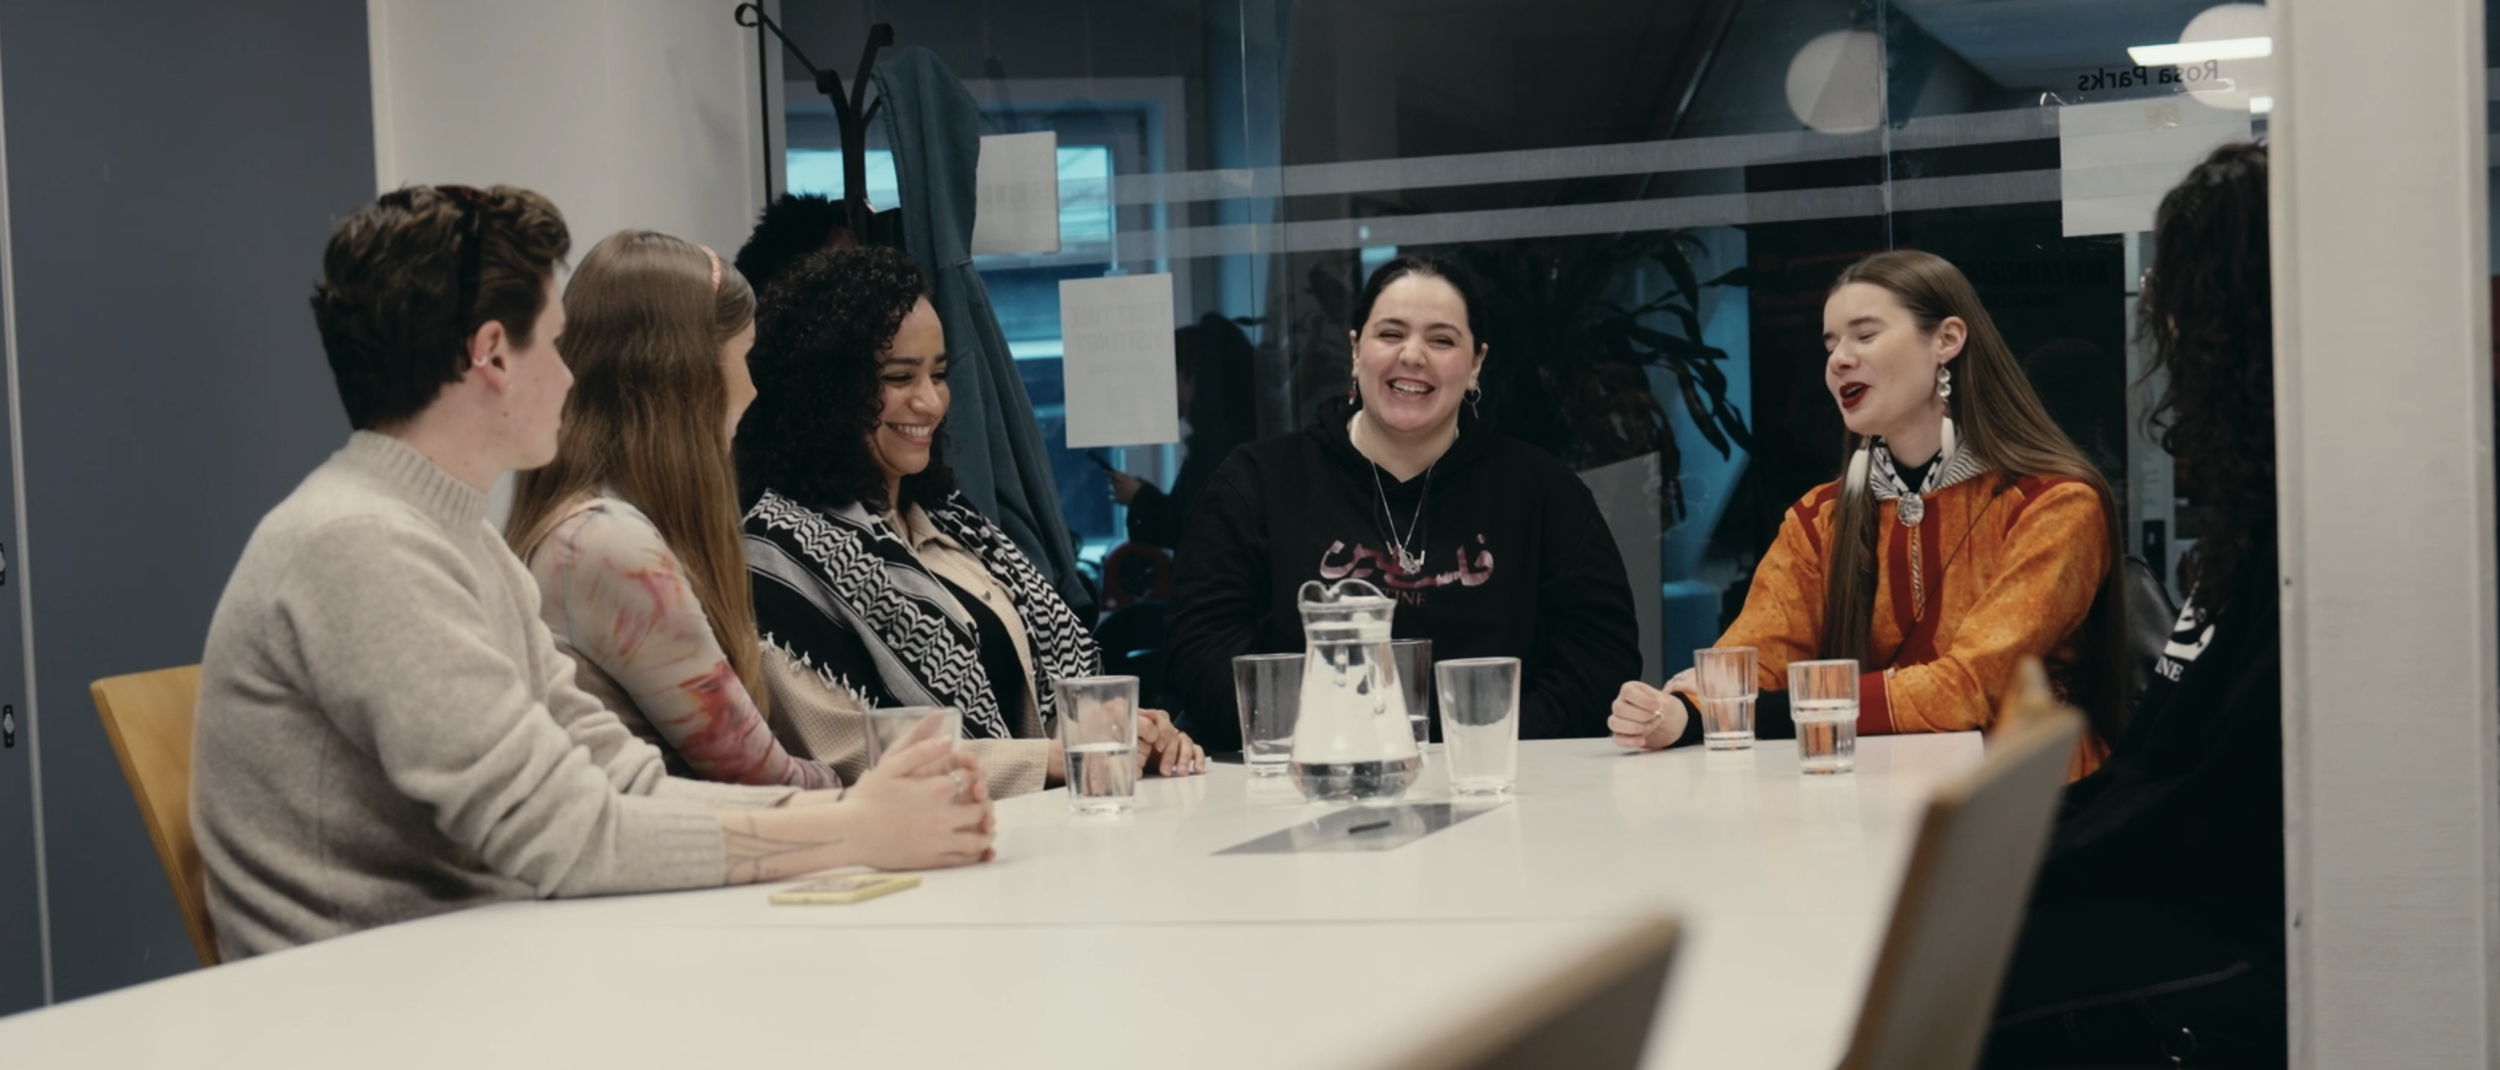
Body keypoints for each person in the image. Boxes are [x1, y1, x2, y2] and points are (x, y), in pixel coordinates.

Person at [192, 186, 993, 960]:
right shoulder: (360, 545)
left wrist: (853, 814)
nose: (574, 378)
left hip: (470, 976)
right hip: (381, 1014)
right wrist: (850, 828)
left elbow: (618, 779)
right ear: (494, 355)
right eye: (557, 340)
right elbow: (564, 834)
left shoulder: (455, 541)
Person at [1982, 142, 2284, 1068]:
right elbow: (2159, 768)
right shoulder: (2258, 522)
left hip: (2245, 943)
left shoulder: (2320, 534)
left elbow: (2214, 802)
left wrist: (2017, 868)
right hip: (2177, 891)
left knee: (1923, 998)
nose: (2159, 316)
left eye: (2178, 292)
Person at [1609, 249, 2127, 778]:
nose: (1838, 360)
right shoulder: (1820, 518)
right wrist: (1678, 710)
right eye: (1831, 343)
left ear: (1947, 339)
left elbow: (1974, 685)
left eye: (1865, 335)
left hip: (2030, 806)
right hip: (1878, 793)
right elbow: (1755, 657)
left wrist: (1764, 711)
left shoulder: (2055, 503)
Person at [735, 245, 1207, 796]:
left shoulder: (952, 522)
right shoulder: (775, 557)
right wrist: (1061, 757)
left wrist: (1136, 734)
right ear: (824, 392)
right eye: (899, 377)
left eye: (937, 374)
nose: (932, 402)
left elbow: (1048, 698)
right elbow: (852, 756)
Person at [1165, 254, 1642, 751]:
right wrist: (1337, 741)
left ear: (1476, 362)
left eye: (1441, 339)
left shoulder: (1544, 492)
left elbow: (1600, 661)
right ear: (1355, 350)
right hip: (1300, 788)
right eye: (1390, 334)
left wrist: (1474, 743)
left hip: (1497, 787)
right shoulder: (1258, 484)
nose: (1413, 356)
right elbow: (1199, 653)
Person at [504, 229, 834, 789]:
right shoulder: (609, 544)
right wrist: (874, 787)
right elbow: (760, 777)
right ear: (688, 373)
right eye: (745, 357)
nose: (753, 389)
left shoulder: (584, 526)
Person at [1107, 312, 1259, 549]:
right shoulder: (1229, 440)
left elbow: (1190, 528)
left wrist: (1139, 497)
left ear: (1191, 376)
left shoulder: (1219, 449)